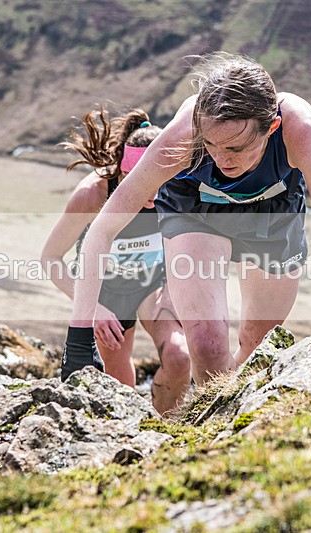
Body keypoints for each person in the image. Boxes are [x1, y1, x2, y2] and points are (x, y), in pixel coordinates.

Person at [66, 53, 311, 386]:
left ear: (271, 127)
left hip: (273, 213)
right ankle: (207, 416)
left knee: (257, 345)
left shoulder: (299, 130)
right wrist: (78, 339)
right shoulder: (183, 135)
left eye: (236, 148)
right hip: (195, 209)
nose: (221, 159)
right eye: (210, 145)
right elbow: (103, 229)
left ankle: (239, 409)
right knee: (207, 346)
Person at [42, 108, 190, 416]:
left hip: (152, 287)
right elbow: (50, 259)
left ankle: (165, 430)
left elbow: (189, 242)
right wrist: (93, 308)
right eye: (138, 182)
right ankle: (129, 434)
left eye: (157, 182)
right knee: (118, 388)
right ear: (122, 171)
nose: (151, 195)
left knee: (179, 358)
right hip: (105, 293)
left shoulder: (178, 187)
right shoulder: (92, 195)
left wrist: (172, 289)